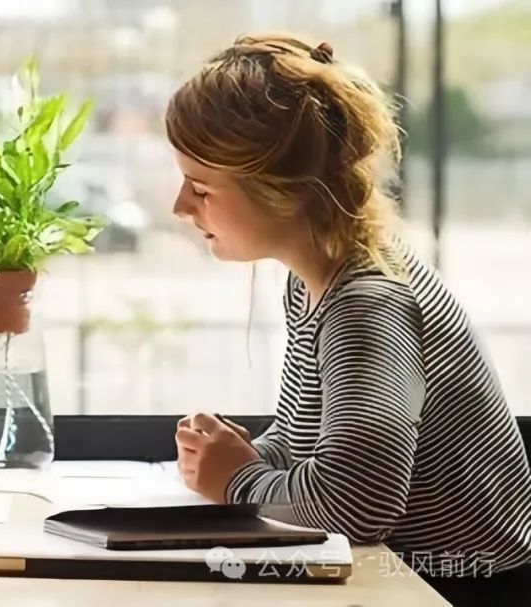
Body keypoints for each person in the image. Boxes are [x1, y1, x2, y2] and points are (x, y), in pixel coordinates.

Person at [165, 34, 531, 604]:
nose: (181, 206)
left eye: (202, 187)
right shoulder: (315, 281)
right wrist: (252, 457)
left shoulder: (367, 307)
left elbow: (357, 505)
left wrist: (236, 480)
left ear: (282, 190)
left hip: (456, 587)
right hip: (402, 578)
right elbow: (314, 446)